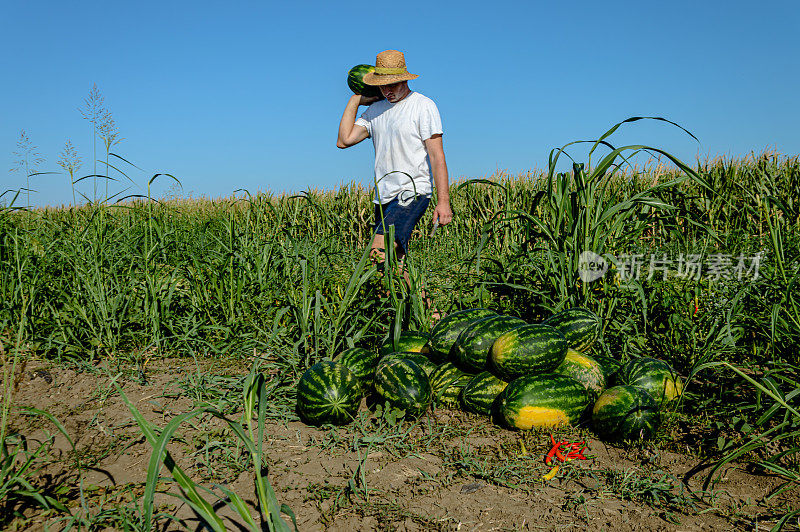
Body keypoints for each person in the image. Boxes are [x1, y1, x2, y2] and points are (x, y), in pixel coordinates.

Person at [337, 49, 452, 270]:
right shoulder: (374, 111)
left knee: (377, 251)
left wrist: (443, 202)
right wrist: (356, 100)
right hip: (384, 198)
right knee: (394, 264)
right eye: (382, 85)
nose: (387, 90)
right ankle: (423, 305)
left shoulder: (422, 105)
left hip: (412, 191)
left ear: (404, 80)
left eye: (393, 85)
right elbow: (344, 140)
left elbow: (437, 156)